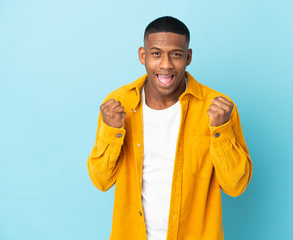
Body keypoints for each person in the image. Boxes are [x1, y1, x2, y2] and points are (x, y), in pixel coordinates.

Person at [87, 16, 252, 240]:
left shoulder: (217, 107)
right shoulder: (118, 104)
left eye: (176, 54)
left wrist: (220, 130)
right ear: (142, 56)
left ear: (188, 57)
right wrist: (112, 131)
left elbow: (236, 186)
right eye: (156, 54)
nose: (165, 65)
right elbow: (101, 181)